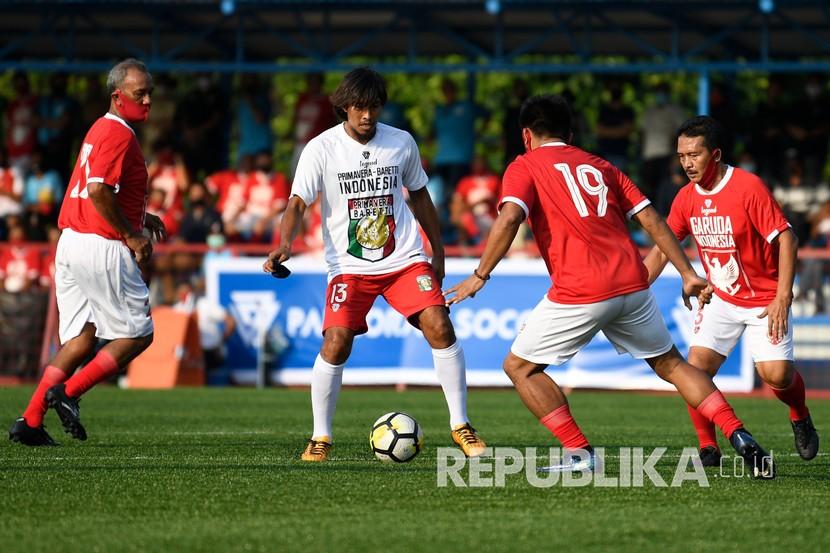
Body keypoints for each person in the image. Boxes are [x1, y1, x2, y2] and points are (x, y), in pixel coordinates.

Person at [445, 95, 775, 478]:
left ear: (526, 135)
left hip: (582, 289)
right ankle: (739, 434)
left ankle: (579, 452)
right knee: (671, 365)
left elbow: (509, 218)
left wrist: (480, 274)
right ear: (570, 134)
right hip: (633, 283)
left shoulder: (525, 165)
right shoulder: (601, 165)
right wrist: (686, 272)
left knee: (519, 367)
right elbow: (651, 218)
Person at [263, 67, 486, 462]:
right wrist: (285, 243)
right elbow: (298, 202)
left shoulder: (401, 142)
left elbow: (419, 197)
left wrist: (438, 249)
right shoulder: (321, 148)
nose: (367, 115)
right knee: (336, 342)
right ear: (344, 107)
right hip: (349, 266)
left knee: (439, 323)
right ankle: (321, 436)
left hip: (404, 259)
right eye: (360, 107)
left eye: (375, 107)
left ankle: (461, 425)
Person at [643, 115, 819, 465]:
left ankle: (799, 414)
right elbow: (663, 248)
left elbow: (787, 238)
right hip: (719, 297)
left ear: (717, 154)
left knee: (776, 376)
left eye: (695, 154)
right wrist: (630, 290)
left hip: (763, 299)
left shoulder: (747, 187)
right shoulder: (685, 198)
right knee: (695, 371)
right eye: (681, 156)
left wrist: (783, 295)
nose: (687, 163)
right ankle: (708, 447)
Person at [8, 58, 166, 446]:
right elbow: (98, 192)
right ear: (117, 96)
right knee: (139, 334)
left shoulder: (100, 128)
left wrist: (141, 217)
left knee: (81, 338)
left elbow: (97, 190)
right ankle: (69, 392)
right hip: (101, 244)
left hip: (72, 242)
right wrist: (132, 234)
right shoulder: (119, 134)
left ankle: (29, 421)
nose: (147, 100)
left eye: (149, 93)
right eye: (138, 93)